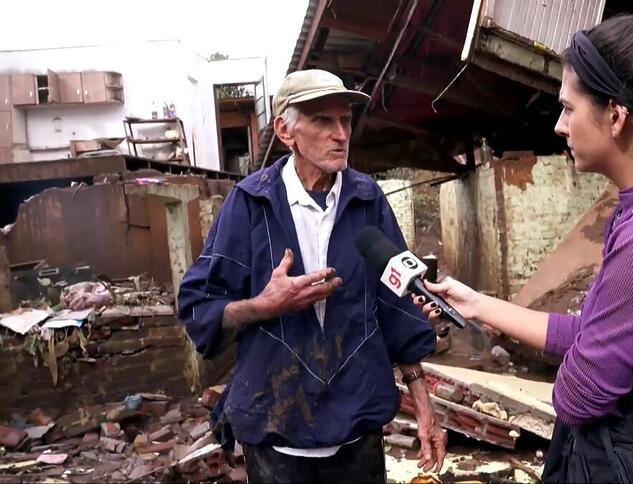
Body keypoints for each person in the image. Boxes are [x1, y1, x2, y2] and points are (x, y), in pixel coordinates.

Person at [414, 2, 633, 482]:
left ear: (616, 116)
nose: (558, 125)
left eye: (568, 108)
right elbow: (593, 336)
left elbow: (579, 395)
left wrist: (584, 354)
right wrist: (478, 305)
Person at [178, 69, 446, 483]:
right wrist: (262, 306)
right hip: (276, 433)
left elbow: (397, 311)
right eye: (323, 121)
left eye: (345, 121)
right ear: (286, 130)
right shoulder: (250, 204)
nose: (340, 134)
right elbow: (199, 305)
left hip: (357, 434)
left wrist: (425, 407)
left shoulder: (366, 201)